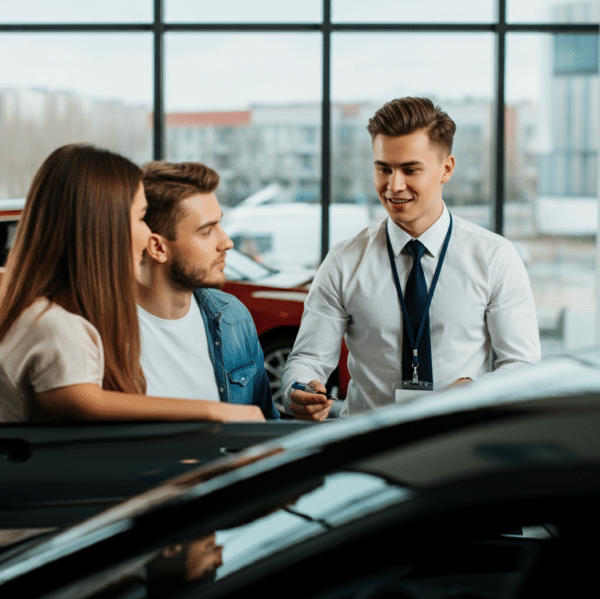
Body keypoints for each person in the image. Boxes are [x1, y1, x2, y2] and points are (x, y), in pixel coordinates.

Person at [282, 97, 541, 419]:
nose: (394, 186)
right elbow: (307, 358)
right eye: (383, 169)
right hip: (366, 444)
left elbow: (522, 365)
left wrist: (474, 391)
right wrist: (300, 388)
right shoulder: (344, 260)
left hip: (458, 441)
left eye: (410, 169)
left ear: (446, 168)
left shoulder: (494, 257)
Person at [0, 144, 264, 423]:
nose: (148, 233)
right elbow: (86, 401)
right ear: (104, 228)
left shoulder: (39, 313)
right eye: (140, 217)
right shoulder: (54, 325)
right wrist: (216, 411)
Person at [136, 161, 278, 419]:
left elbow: (264, 427)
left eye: (220, 225)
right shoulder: (99, 333)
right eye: (206, 231)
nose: (226, 242)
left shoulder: (234, 317)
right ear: (157, 248)